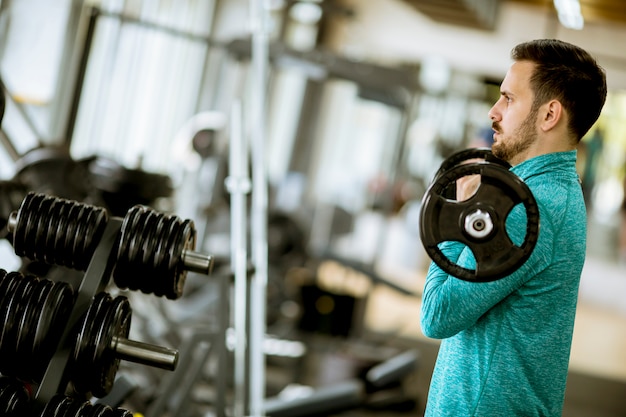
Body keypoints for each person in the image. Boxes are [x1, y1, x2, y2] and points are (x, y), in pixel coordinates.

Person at [420, 39, 607, 416]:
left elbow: (437, 315)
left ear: (549, 115)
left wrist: (458, 216)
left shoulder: (526, 210)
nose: (494, 112)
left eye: (508, 98)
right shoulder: (554, 194)